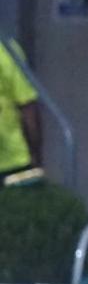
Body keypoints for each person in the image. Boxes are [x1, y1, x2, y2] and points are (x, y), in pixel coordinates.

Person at [0, 39, 42, 182]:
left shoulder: (6, 49)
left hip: (12, 160)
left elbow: (27, 104)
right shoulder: (6, 48)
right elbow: (27, 105)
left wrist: (35, 153)